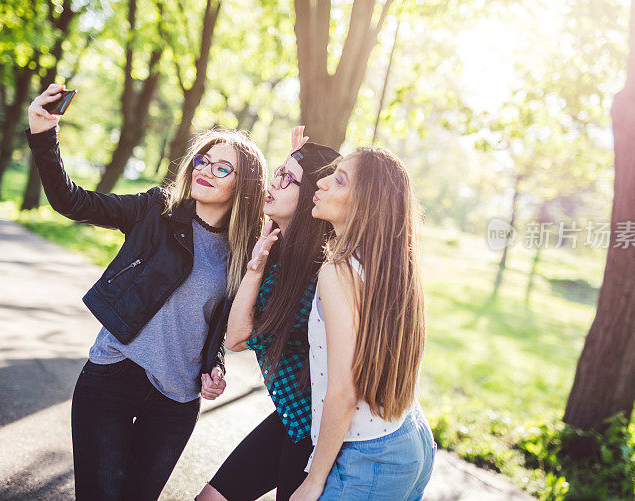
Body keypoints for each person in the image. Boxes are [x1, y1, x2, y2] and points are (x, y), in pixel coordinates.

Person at [25, 83, 268, 501]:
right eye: (202, 160)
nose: (205, 170)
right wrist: (44, 135)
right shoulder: (155, 211)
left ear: (243, 185)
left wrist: (216, 366)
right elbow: (72, 202)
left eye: (222, 168)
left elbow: (220, 323)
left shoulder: (245, 253)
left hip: (175, 401)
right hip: (112, 377)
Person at [196, 127, 341, 501]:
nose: (273, 182)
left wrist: (255, 270)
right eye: (277, 171)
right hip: (291, 418)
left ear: (309, 195)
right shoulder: (276, 248)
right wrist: (295, 164)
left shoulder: (315, 273)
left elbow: (238, 338)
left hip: (315, 432)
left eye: (287, 178)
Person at [291, 147, 436, 501]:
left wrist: (314, 479)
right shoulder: (391, 266)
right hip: (410, 438)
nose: (322, 182)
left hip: (368, 458)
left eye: (338, 180)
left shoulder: (338, 270)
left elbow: (343, 391)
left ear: (366, 205)